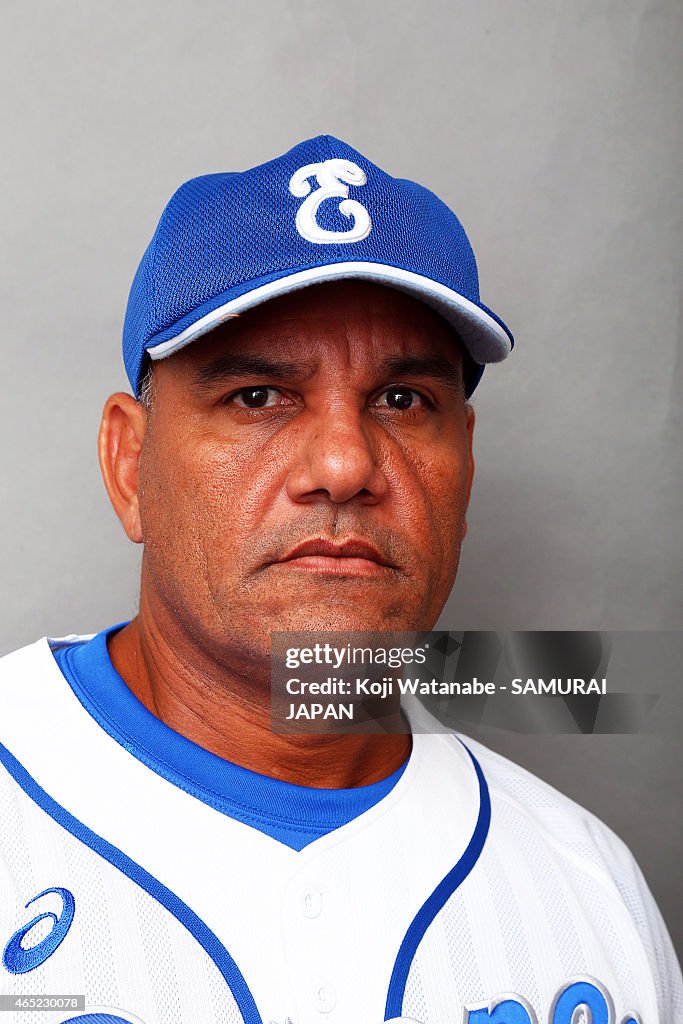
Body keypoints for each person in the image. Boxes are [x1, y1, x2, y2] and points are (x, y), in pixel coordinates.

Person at [0, 135, 679, 1024]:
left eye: (402, 400)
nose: (344, 462)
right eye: (257, 396)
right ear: (130, 466)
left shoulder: (591, 888)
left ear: (463, 466)